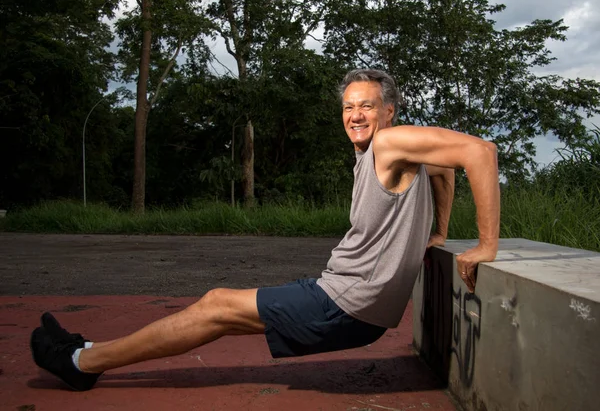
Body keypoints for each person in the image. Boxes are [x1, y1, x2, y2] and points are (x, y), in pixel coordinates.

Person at [30, 69, 500, 391]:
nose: (356, 115)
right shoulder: (393, 153)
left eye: (368, 106)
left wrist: (485, 244)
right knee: (220, 312)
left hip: (347, 304)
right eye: (348, 107)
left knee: (216, 304)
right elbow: (445, 171)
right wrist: (436, 233)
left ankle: (79, 363)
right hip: (344, 296)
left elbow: (479, 154)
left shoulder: (393, 141)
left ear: (389, 111)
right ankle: (88, 350)